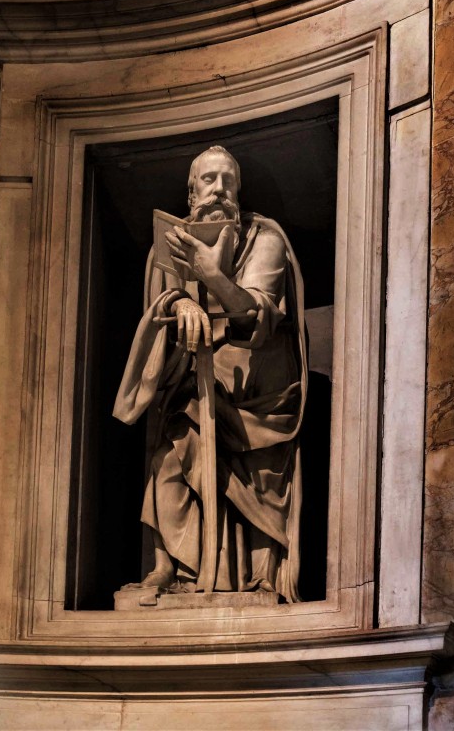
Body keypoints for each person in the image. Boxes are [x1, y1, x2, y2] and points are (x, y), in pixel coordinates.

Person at [113, 146, 307, 601]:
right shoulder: (169, 244)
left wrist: (210, 275)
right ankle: (174, 568)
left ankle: (260, 579)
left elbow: (257, 314)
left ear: (239, 190)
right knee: (169, 463)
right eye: (209, 180)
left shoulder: (265, 238)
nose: (219, 190)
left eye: (228, 181)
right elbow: (157, 310)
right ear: (191, 190)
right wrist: (178, 301)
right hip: (194, 386)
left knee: (257, 484)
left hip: (258, 390)